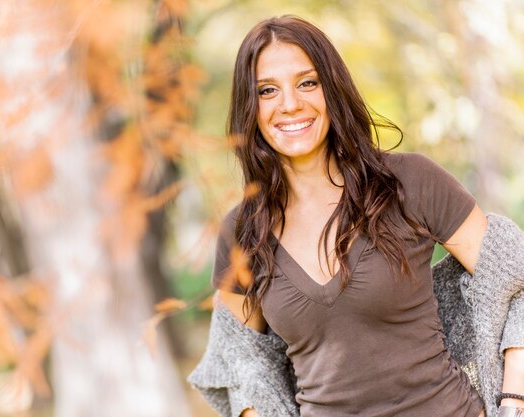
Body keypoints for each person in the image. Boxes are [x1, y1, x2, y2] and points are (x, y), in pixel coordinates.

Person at [189, 15, 524, 417]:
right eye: (267, 90)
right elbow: (242, 364)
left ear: (332, 89)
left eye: (307, 82)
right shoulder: (243, 232)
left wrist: (514, 402)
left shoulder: (409, 182)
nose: (290, 104)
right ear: (250, 106)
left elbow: (516, 280)